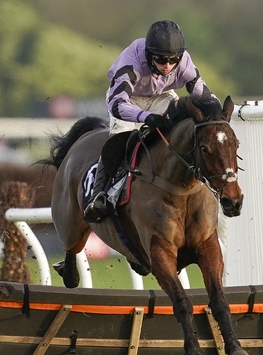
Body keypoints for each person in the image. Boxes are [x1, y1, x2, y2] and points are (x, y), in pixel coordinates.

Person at [82, 20, 217, 223]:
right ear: (149, 54)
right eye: (162, 59)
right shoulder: (131, 61)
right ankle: (98, 194)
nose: (168, 66)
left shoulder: (185, 63)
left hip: (161, 96)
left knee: (183, 123)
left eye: (173, 60)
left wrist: (218, 115)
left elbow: (205, 96)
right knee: (120, 137)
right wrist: (145, 117)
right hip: (128, 99)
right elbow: (117, 105)